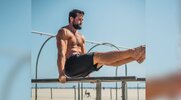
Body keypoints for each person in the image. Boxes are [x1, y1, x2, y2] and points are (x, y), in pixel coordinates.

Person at [56, 9, 146, 83]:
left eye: (82, 20)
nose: (81, 22)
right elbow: (61, 54)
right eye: (79, 19)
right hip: (70, 65)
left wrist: (88, 75)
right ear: (71, 19)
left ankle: (135, 57)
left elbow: (84, 56)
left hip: (80, 67)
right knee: (98, 56)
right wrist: (61, 73)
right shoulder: (64, 31)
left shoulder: (81, 37)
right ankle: (133, 51)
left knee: (104, 61)